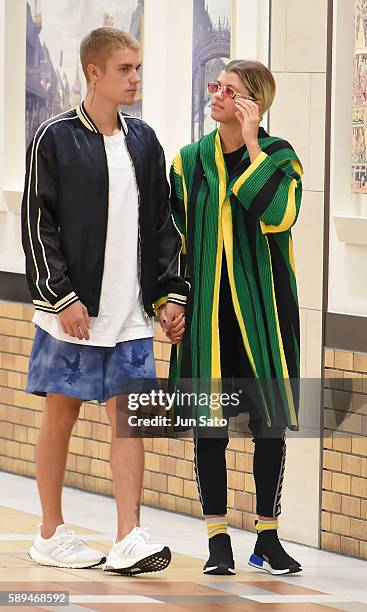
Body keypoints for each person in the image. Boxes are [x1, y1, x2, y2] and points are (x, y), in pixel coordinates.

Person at [21, 27, 188, 574]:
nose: (135, 78)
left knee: (129, 422)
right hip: (72, 311)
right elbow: (37, 225)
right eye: (125, 69)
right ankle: (49, 532)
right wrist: (61, 294)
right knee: (60, 418)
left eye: (138, 68)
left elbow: (162, 224)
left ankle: (128, 536)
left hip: (132, 314)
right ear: (94, 72)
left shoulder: (144, 140)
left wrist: (169, 293)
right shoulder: (54, 138)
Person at [163, 59, 303, 576]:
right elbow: (168, 241)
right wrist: (169, 300)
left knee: (269, 424)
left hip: (263, 311)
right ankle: (217, 537)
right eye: (217, 86)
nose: (217, 94)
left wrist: (252, 145)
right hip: (207, 314)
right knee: (210, 425)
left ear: (255, 104)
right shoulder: (188, 161)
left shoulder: (279, 156)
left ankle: (267, 535)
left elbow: (278, 214)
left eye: (231, 90)